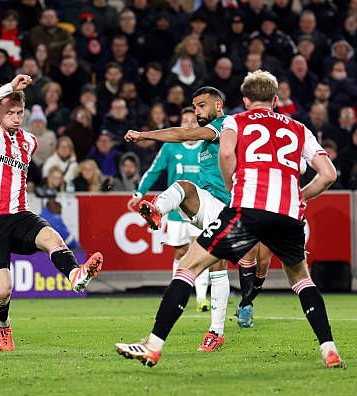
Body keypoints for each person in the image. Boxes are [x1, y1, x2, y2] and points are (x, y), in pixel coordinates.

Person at [117, 71, 344, 369]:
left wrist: (233, 189)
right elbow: (328, 174)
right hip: (288, 214)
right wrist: (299, 196)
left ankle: (153, 346)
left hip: (248, 209)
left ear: (245, 100)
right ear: (275, 100)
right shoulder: (300, 128)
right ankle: (329, 349)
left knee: (188, 266)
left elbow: (226, 154)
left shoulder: (235, 122)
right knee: (302, 280)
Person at [0, 74, 103, 352]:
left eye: (20, 113)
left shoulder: (29, 141)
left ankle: (75, 276)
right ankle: (3, 326)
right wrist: (9, 87)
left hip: (19, 215)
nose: (16, 118)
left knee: (52, 237)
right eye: (10, 113)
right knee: (2, 290)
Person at [123, 87, 233, 351]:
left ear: (218, 105)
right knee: (183, 186)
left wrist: (144, 135)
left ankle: (217, 331)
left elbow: (184, 133)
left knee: (218, 266)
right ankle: (157, 210)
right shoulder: (208, 141)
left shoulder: (225, 125)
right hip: (208, 202)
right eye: (194, 107)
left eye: (201, 105)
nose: (196, 112)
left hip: (231, 207)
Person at [128, 107, 210, 313]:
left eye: (193, 121)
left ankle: (202, 298)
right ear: (180, 124)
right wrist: (139, 194)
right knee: (180, 251)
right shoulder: (170, 148)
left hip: (201, 207)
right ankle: (178, 295)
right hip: (176, 211)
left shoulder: (207, 145)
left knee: (200, 250)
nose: (189, 124)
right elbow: (154, 170)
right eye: (185, 121)